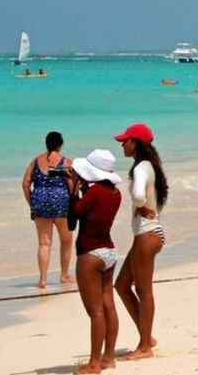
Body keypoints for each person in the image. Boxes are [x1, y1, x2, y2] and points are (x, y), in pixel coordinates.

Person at [114, 124, 168, 361]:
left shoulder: (140, 168)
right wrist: (142, 207)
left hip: (147, 234)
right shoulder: (150, 166)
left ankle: (145, 345)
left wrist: (140, 206)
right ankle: (147, 336)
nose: (122, 144)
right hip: (148, 234)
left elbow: (137, 195)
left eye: (126, 141)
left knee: (143, 289)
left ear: (136, 143)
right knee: (122, 285)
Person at [71, 150, 123, 374]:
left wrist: (73, 189)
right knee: (108, 306)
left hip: (90, 254)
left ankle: (94, 364)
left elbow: (73, 214)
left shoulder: (93, 194)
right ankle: (108, 357)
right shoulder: (115, 194)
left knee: (95, 312)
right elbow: (93, 213)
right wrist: (82, 187)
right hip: (109, 251)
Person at [21, 131, 74, 288]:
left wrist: (32, 203)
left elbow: (25, 184)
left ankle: (43, 280)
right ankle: (64, 275)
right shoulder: (65, 163)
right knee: (66, 240)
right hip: (61, 205)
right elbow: (71, 185)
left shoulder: (36, 161)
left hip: (40, 203)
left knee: (44, 243)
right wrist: (73, 201)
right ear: (61, 144)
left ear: (46, 144)